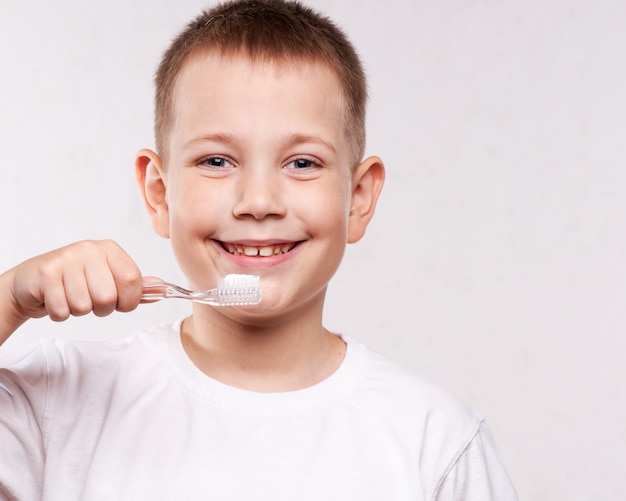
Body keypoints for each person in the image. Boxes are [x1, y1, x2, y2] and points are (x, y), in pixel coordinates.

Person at [0, 0, 518, 499]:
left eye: (302, 163)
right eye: (217, 161)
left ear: (358, 199)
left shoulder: (435, 443)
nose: (259, 201)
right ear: (159, 193)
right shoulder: (54, 404)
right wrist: (10, 301)